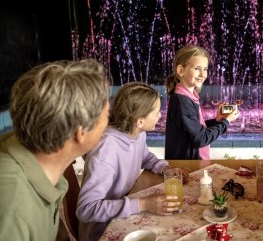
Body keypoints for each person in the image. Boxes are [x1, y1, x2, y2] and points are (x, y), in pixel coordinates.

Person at [0, 59, 110, 241]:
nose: (109, 124)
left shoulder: (43, 165)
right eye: (107, 116)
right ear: (80, 132)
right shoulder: (11, 208)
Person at [77, 82, 189, 241]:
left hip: (125, 212)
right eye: (156, 112)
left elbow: (144, 156)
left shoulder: (137, 133)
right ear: (140, 121)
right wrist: (142, 204)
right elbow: (86, 210)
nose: (160, 115)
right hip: (103, 229)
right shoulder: (105, 151)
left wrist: (165, 168)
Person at [165, 45, 240, 160]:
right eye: (197, 68)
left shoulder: (187, 97)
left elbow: (194, 128)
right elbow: (201, 139)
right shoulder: (181, 100)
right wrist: (226, 121)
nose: (202, 74)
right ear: (181, 70)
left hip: (189, 166)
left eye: (205, 69)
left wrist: (217, 120)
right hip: (187, 168)